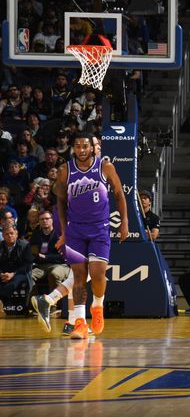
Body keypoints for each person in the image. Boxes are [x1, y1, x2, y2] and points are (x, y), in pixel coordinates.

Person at [53, 132, 128, 339]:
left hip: (100, 228)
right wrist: (64, 230)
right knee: (77, 277)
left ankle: (97, 305)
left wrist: (125, 222)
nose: (82, 150)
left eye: (85, 146)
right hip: (76, 230)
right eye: (78, 146)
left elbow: (119, 194)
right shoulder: (65, 170)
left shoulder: (105, 167)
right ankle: (79, 323)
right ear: (73, 148)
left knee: (97, 275)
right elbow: (60, 201)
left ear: (92, 147)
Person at [0, 223, 33, 310]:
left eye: (11, 233)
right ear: (3, 235)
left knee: (12, 284)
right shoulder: (1, 245)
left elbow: (28, 265)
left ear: (16, 234)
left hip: (20, 273)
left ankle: (9, 306)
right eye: (7, 234)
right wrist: (1, 274)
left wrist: (13, 274)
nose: (9, 236)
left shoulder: (25, 245)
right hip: (4, 273)